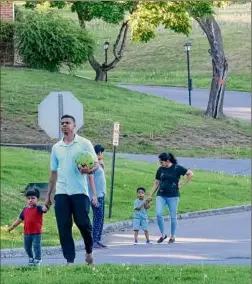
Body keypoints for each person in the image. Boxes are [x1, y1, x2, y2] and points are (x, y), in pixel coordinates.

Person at [44, 114, 98, 265]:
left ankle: (89, 251)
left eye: (67, 123)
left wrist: (89, 171)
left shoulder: (84, 143)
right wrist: (48, 195)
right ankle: (70, 260)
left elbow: (96, 164)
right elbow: (53, 172)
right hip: (61, 192)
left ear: (75, 126)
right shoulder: (56, 148)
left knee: (83, 223)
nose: (64, 125)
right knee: (63, 225)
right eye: (62, 123)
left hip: (79, 191)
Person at [149, 152, 193, 244]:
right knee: (159, 213)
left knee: (173, 217)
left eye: (161, 162)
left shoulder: (177, 168)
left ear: (167, 161)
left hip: (173, 195)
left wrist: (182, 184)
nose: (160, 164)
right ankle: (162, 235)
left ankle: (172, 236)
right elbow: (156, 183)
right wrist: (150, 195)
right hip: (161, 194)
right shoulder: (160, 169)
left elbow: (190, 174)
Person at [8, 188, 49, 266]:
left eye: (33, 198)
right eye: (28, 198)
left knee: (36, 247)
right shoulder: (25, 210)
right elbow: (19, 220)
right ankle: (31, 258)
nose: (30, 200)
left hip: (37, 233)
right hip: (27, 233)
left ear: (37, 199)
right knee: (27, 247)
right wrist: (12, 227)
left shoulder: (39, 208)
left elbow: (45, 209)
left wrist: (47, 204)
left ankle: (38, 259)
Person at [88, 144, 107, 249]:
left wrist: (102, 166)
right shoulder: (92, 164)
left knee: (101, 218)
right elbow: (90, 179)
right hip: (96, 194)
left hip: (101, 193)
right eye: (100, 153)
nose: (101, 155)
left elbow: (102, 177)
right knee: (97, 217)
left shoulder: (99, 164)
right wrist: (94, 195)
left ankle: (98, 239)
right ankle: (94, 240)